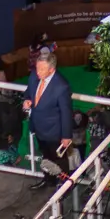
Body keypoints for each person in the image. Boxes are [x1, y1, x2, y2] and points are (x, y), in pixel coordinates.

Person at [24, 51, 77, 189]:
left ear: (52, 69)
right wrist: (27, 100)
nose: (38, 72)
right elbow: (28, 92)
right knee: (45, 157)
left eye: (42, 69)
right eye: (37, 68)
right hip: (39, 128)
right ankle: (48, 180)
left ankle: (64, 187)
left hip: (55, 132)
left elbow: (66, 112)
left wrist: (66, 136)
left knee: (60, 161)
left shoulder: (61, 86)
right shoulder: (33, 77)